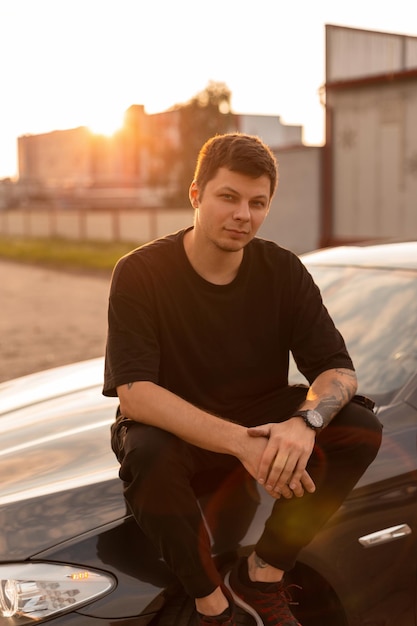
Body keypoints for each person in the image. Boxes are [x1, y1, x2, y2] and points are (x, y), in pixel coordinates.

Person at [103, 133, 382, 626]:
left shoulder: (282, 270)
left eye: (258, 203)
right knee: (146, 454)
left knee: (360, 427)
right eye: (228, 198)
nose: (243, 215)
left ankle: (263, 574)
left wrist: (305, 422)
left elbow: (338, 370)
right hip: (175, 427)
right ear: (196, 195)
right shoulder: (140, 272)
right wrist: (243, 446)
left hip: (259, 416)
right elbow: (137, 394)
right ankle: (213, 605)